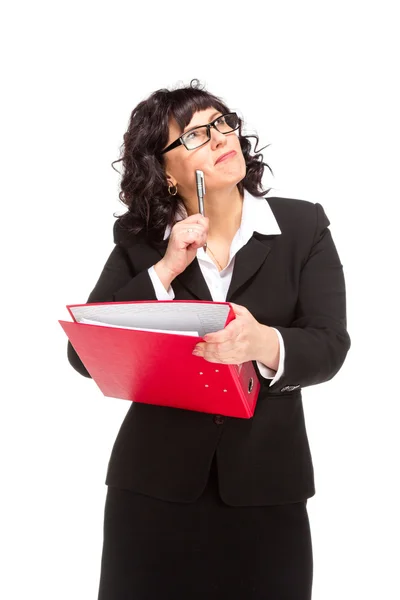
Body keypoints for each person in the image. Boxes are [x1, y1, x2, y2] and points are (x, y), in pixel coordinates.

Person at [67, 79, 351, 600]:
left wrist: (261, 341)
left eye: (223, 124)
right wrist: (166, 268)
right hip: (153, 490)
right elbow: (84, 352)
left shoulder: (303, 226)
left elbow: (330, 344)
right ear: (165, 170)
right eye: (197, 134)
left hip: (268, 486)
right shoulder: (142, 241)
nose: (222, 137)